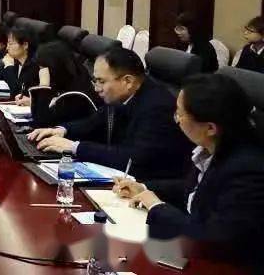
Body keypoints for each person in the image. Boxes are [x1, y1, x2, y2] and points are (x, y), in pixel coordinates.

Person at [113, 74, 264, 265]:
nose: (176, 120)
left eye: (180, 114)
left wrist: (157, 207)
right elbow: (196, 190)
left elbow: (215, 238)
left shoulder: (247, 170)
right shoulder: (214, 149)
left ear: (210, 128)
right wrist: (143, 188)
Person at [28, 48, 192, 180]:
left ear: (128, 81)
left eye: (101, 81)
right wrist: (62, 130)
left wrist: (74, 147)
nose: (96, 88)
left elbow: (134, 159)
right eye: (95, 80)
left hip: (149, 187)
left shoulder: (157, 107)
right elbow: (95, 121)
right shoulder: (124, 96)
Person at [28, 41, 99, 128]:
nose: (41, 73)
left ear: (54, 67)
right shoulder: (69, 80)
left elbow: (41, 124)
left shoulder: (76, 95)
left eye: (43, 69)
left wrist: (43, 87)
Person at [0, 26, 39, 101]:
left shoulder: (34, 67)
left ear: (25, 45)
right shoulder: (17, 63)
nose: (7, 48)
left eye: (10, 43)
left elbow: (17, 94)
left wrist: (9, 66)